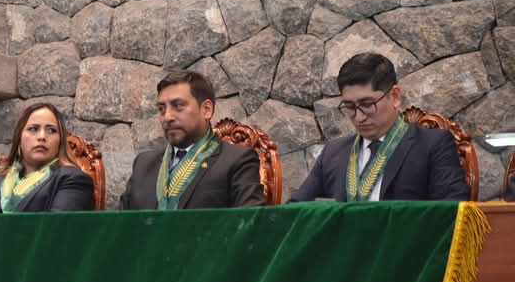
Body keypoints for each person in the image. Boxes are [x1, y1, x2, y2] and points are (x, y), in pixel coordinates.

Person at [290, 53, 471, 202]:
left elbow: (452, 210)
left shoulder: (433, 145)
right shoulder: (333, 152)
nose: (359, 117)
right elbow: (296, 209)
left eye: (367, 104)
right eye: (349, 107)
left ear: (395, 96)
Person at [121, 71, 264, 209]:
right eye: (161, 108)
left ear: (206, 110)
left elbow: (250, 221)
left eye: (178, 106)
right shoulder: (143, 164)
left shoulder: (238, 160)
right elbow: (120, 222)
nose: (167, 117)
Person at [0, 103, 94, 213]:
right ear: (19, 138)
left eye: (51, 130)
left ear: (60, 141)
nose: (42, 136)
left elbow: (56, 230)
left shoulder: (72, 179)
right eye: (33, 129)